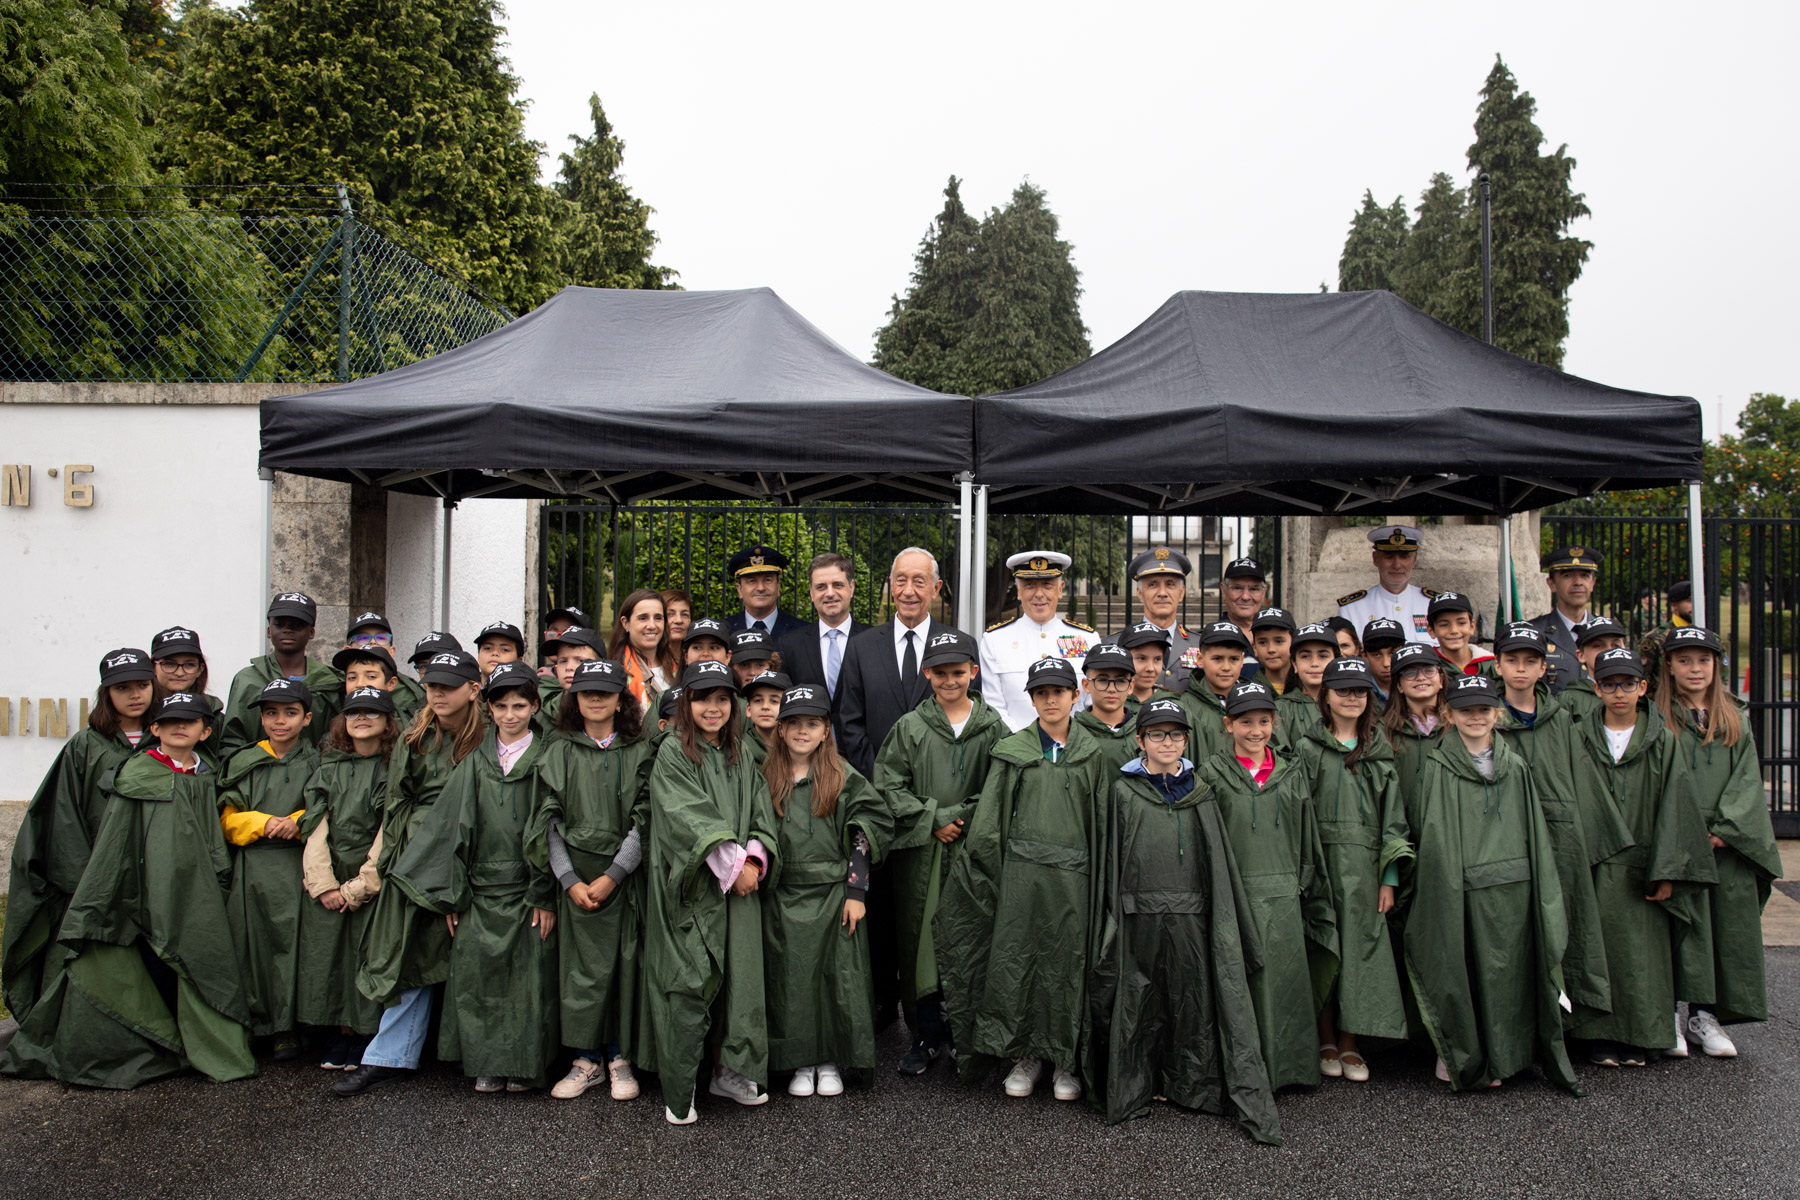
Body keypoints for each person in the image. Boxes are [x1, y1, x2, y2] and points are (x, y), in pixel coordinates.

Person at [1, 692, 256, 1088]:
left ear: (205, 731)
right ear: (155, 729)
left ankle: (200, 1045)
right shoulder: (138, 775)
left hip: (196, 893)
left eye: (188, 722)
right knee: (145, 965)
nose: (178, 728)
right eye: (170, 722)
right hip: (143, 891)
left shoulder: (208, 775)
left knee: (197, 962)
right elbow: (116, 843)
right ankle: (153, 1045)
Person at [1091, 698, 1279, 1142]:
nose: (1167, 742)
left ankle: (1192, 1085)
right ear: (1140, 741)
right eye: (1157, 734)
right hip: (1138, 914)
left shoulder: (1201, 792)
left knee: (1193, 1000)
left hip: (1192, 914)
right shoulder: (1122, 791)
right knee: (1140, 1002)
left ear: (1187, 740)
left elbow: (1216, 860)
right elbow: (1113, 859)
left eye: (1176, 734)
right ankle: (1138, 1086)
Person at [935, 657, 1109, 1103]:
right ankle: (1025, 1054)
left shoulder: (1095, 755)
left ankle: (1065, 1058)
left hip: (1076, 881)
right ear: (1031, 699)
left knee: (1066, 965)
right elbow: (990, 822)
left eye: (1059, 691)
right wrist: (988, 876)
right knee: (1020, 960)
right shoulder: (1013, 752)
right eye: (1041, 693)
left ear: (1076, 695)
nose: (1051, 700)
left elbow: (1107, 825)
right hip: (1020, 879)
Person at [381, 662, 559, 1094]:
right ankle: (487, 1062)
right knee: (480, 978)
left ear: (535, 706)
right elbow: (453, 828)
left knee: (530, 980)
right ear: (489, 709)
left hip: (529, 888)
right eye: (502, 706)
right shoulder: (476, 762)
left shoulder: (548, 757)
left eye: (520, 705)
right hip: (480, 889)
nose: (511, 715)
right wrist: (453, 896)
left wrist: (544, 894)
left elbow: (551, 829)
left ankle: (525, 1066)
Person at [1404, 675, 1578, 1091]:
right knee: (1463, 970)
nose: (1476, 717)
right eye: (1466, 710)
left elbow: (1532, 831)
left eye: (1483, 709)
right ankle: (1463, 1054)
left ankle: (1507, 1056)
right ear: (1449, 714)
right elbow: (1434, 833)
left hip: (1513, 888)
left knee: (1507, 975)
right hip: (1460, 886)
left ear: (1496, 714)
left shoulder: (1515, 766)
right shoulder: (1437, 766)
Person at [337, 649, 484, 1097]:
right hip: (417, 860)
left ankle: (482, 1057)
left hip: (477, 854)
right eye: (431, 685)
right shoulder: (415, 739)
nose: (436, 693)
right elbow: (398, 805)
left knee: (478, 955)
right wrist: (396, 866)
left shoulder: (490, 736)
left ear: (474, 690)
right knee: (410, 954)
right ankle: (390, 1056)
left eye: (447, 686)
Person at [644, 660, 781, 1124]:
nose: (713, 707)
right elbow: (686, 815)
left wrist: (757, 860)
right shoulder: (672, 752)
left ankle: (731, 1070)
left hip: (740, 887)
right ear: (686, 702)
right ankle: (680, 1089)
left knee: (741, 981)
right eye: (703, 698)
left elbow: (761, 809)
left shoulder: (742, 751)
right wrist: (736, 864)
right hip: (694, 887)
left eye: (722, 698)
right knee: (690, 981)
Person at [1567, 649, 1716, 1068]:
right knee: (1597, 952)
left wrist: (1668, 868)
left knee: (1642, 958)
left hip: (1643, 866)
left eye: (1628, 684)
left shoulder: (1663, 740)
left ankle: (1639, 1036)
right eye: (1609, 684)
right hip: (1594, 863)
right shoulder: (1579, 735)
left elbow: (1677, 806)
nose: (1619, 693)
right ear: (1596, 688)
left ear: (1643, 687)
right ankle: (1597, 1036)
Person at [873, 628, 1006, 1075]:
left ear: (973, 671)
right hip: (923, 853)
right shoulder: (909, 728)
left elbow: (999, 790)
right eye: (940, 673)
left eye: (958, 672)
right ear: (927, 673)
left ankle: (966, 1034)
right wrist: (932, 818)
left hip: (973, 850)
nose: (950, 681)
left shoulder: (992, 728)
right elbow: (888, 786)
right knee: (922, 940)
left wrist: (960, 818)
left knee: (970, 935)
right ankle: (926, 1034)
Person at [2, 648, 156, 1028]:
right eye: (123, 688)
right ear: (106, 694)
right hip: (95, 877)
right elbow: (64, 815)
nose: (135, 694)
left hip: (154, 872)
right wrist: (87, 878)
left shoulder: (168, 738)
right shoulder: (85, 745)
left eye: (142, 685)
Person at [1195, 681, 1337, 1091]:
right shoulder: (1213, 774)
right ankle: (1242, 1072)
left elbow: (1306, 835)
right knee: (1240, 983)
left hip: (1284, 896)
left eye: (1263, 721)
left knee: (1284, 982)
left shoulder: (1292, 774)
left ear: (1274, 723)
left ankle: (1289, 1069)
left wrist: (1306, 883)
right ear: (1228, 724)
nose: (1255, 730)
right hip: (1236, 896)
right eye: (1244, 721)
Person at [1490, 623, 1624, 1026]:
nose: (1520, 669)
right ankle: (1517, 1023)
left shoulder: (1562, 718)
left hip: (1559, 836)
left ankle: (1571, 1023)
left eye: (1530, 661)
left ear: (1542, 667)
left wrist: (1588, 838)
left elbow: (1583, 780)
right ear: (1497, 666)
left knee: (1565, 925)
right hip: (1505, 839)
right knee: (1511, 929)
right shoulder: (1484, 717)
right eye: (1511, 660)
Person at [761, 684, 892, 1096]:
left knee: (837, 979)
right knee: (793, 980)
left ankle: (832, 1059)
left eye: (812, 724)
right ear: (780, 730)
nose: (803, 731)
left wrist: (856, 892)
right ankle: (800, 1060)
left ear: (825, 730)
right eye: (794, 723)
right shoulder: (766, 776)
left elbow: (864, 830)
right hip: (783, 895)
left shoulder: (841, 774)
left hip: (835, 894)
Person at [1657, 627, 1782, 1057]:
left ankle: (1704, 1015)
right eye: (1685, 660)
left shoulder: (1734, 718)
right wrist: (1686, 831)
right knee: (1678, 922)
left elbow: (1747, 778)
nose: (1695, 669)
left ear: (1716, 666)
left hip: (1725, 841)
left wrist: (1726, 828)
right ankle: (1672, 1011)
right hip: (1677, 837)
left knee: (1722, 925)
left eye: (1703, 660)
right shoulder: (1659, 718)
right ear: (1669, 667)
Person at [535, 658, 653, 1102]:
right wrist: (568, 879)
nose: (597, 699)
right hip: (574, 883)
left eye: (607, 691)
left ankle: (620, 1058)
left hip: (621, 881)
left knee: (623, 968)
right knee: (580, 972)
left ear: (622, 698)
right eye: (587, 692)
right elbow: (546, 818)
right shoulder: (558, 749)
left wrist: (614, 874)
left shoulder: (638, 749)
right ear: (574, 698)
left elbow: (646, 817)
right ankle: (586, 1060)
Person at [1294, 658, 1410, 1083]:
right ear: (1325, 695)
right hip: (1321, 862)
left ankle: (1349, 1041)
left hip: (1364, 868)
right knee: (1324, 945)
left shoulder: (1379, 752)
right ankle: (1324, 1038)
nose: (1351, 698)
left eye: (1359, 691)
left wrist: (1388, 878)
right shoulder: (1307, 749)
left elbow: (1393, 819)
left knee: (1361, 954)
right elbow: (1299, 813)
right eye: (1342, 690)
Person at [218, 678, 320, 1059]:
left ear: (307, 718)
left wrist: (296, 819)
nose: (281, 721)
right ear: (261, 719)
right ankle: (254, 1022)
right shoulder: (244, 761)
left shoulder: (318, 761)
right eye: (272, 713)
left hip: (296, 866)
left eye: (290, 713)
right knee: (251, 945)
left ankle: (288, 1027)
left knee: (292, 947)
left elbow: (325, 804)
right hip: (253, 867)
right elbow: (226, 819)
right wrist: (260, 823)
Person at [297, 685, 397, 1069]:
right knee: (333, 959)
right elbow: (315, 824)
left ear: (388, 721)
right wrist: (323, 884)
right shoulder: (329, 767)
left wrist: (361, 886)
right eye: (354, 712)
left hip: (372, 878)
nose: (361, 718)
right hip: (331, 877)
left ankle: (367, 1035)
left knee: (369, 957)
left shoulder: (394, 768)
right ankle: (342, 1034)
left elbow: (392, 829)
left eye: (372, 712)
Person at [979, 550, 1098, 731]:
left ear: (1060, 589)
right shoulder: (994, 640)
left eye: (1047, 585)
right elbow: (994, 705)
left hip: (1075, 747)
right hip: (1016, 746)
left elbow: (1093, 702)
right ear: (1018, 591)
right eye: (1030, 585)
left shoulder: (1088, 639)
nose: (1039, 594)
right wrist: (1024, 743)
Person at [220, 591, 343, 757]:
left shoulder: (330, 683)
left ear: (312, 632)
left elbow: (337, 739)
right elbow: (232, 740)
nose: (288, 630)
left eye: (297, 625)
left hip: (316, 777)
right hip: (255, 776)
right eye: (280, 624)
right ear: (269, 630)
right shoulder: (247, 680)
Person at [776, 553, 868, 746]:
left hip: (863, 758)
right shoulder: (790, 645)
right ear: (811, 593)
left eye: (837, 585)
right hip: (808, 758)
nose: (829, 593)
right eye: (821, 587)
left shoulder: (873, 642)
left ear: (851, 588)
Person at [1336, 525, 1439, 646]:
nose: (1396, 565)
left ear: (1414, 559)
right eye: (1389, 556)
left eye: (1404, 556)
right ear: (1375, 559)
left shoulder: (1433, 604)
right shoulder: (1352, 609)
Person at [1382, 643, 1450, 827]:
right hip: (1403, 829)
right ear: (1399, 686)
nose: (1421, 677)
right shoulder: (1383, 731)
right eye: (1410, 673)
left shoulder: (1459, 727)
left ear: (1441, 679)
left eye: (1428, 670)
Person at [1116, 547, 1200, 691]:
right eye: (1153, 584)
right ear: (1140, 594)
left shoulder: (1200, 645)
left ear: (1181, 593)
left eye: (1170, 584)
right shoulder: (1115, 645)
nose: (1162, 593)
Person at [1525, 545, 1601, 691]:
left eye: (1585, 576)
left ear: (1592, 584)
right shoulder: (1534, 632)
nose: (1578, 582)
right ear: (1552, 584)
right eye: (1568, 576)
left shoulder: (1606, 633)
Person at [1174, 622, 1252, 765]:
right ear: (1200, 659)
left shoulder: (1255, 701)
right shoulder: (1185, 707)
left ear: (1242, 660)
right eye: (1217, 659)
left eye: (1233, 659)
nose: (1226, 667)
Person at [1074, 643, 1139, 772]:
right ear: (1086, 685)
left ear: (1131, 686)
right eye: (1102, 680)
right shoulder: (1073, 732)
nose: (1111, 689)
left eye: (1120, 681)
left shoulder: (1143, 731)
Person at [608, 588, 676, 712]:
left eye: (658, 618)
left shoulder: (677, 667)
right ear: (625, 623)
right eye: (643, 618)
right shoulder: (615, 672)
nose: (651, 626)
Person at [726, 544, 805, 641]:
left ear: (778, 587)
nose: (760, 588)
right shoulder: (724, 632)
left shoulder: (803, 632)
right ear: (739, 590)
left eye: (767, 580)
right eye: (752, 581)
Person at [1277, 623, 1340, 743]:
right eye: (1305, 656)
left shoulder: (1350, 703)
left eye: (1323, 656)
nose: (1314, 663)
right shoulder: (1280, 709)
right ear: (1294, 664)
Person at [1561, 615, 1631, 719]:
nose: (1608, 651)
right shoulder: (1568, 701)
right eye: (1598, 646)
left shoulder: (1636, 696)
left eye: (1616, 645)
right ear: (1581, 655)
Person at [1637, 580, 1696, 693]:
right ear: (1674, 605)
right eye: (1690, 601)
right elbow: (1643, 684)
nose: (1696, 605)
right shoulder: (1654, 640)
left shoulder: (1712, 639)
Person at [331, 643, 414, 722]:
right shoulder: (335, 730)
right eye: (352, 678)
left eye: (371, 677)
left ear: (391, 683)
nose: (360, 684)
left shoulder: (408, 729)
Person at [537, 626, 604, 722]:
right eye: (563, 661)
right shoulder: (541, 707)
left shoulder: (612, 708)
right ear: (556, 667)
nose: (569, 667)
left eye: (580, 660)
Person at [1219, 558, 1270, 677]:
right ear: (1223, 590)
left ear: (1263, 592)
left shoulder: (1281, 639)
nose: (1246, 596)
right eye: (1237, 588)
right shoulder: (1207, 639)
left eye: (1254, 589)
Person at [1426, 591, 1493, 675]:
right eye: (1444, 625)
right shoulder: (1425, 666)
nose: (1454, 630)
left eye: (1461, 623)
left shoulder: (1492, 665)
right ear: (1431, 630)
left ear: (1472, 626)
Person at [739, 668, 790, 768]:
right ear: (748, 709)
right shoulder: (738, 751)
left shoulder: (798, 749)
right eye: (758, 700)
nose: (765, 706)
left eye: (774, 701)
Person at [1117, 620, 1174, 707]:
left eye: (1157, 659)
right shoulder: (1110, 704)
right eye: (1141, 659)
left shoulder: (1173, 704)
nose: (1150, 668)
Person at [1250, 606, 1298, 698]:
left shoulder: (1307, 688)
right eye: (1262, 642)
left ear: (1293, 643)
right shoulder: (1248, 694)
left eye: (1279, 641)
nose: (1271, 649)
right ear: (1254, 648)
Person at [1359, 617, 1407, 704]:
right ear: (1364, 655)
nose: (1386, 663)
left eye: (1392, 653)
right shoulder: (1358, 691)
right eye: (1376, 655)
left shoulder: (1415, 686)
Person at [660, 589, 694, 665]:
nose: (678, 620)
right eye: (670, 614)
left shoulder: (696, 656)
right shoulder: (651, 659)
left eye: (684, 615)